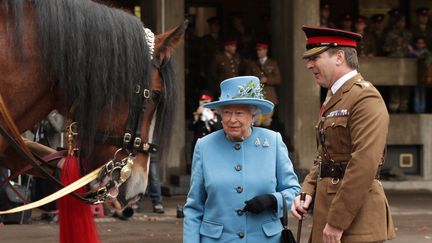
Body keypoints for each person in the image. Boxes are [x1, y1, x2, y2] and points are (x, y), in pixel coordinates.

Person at [291, 26, 396, 243]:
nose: (309, 65)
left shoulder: (365, 97)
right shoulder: (335, 96)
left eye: (315, 58)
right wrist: (307, 190)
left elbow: (364, 163)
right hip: (330, 214)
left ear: (339, 57)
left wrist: (338, 221)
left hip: (356, 223)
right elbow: (325, 154)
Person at [183, 76, 300, 242]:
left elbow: (294, 191)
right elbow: (194, 207)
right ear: (219, 115)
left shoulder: (273, 141)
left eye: (239, 113)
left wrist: (273, 200)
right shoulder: (204, 146)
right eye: (227, 112)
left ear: (253, 115)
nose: (232, 120)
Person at [245, 42, 281, 127]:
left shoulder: (272, 63)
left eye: (260, 50)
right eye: (258, 50)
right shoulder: (253, 64)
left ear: (266, 51)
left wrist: (267, 80)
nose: (258, 52)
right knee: (256, 122)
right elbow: (247, 79)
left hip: (269, 97)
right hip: (256, 96)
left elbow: (278, 79)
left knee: (267, 122)